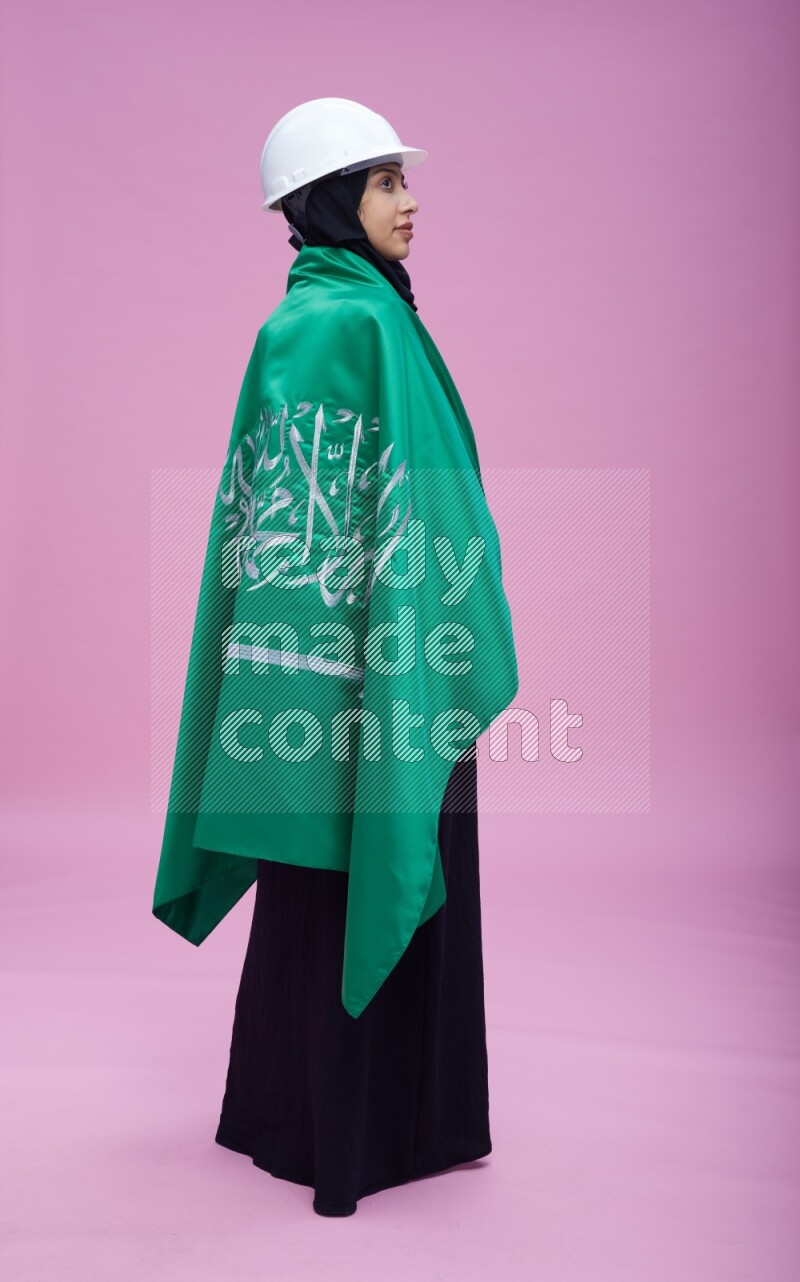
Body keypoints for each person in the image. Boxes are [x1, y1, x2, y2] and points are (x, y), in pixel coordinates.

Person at [152, 98, 519, 1216]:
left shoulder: (368, 315)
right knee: (342, 863)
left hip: (403, 642)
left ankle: (372, 1119)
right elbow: (294, 525)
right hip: (354, 664)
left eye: (403, 181)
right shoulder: (331, 326)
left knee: (370, 869)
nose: (410, 202)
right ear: (328, 201)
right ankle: (338, 1133)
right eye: (384, 182)